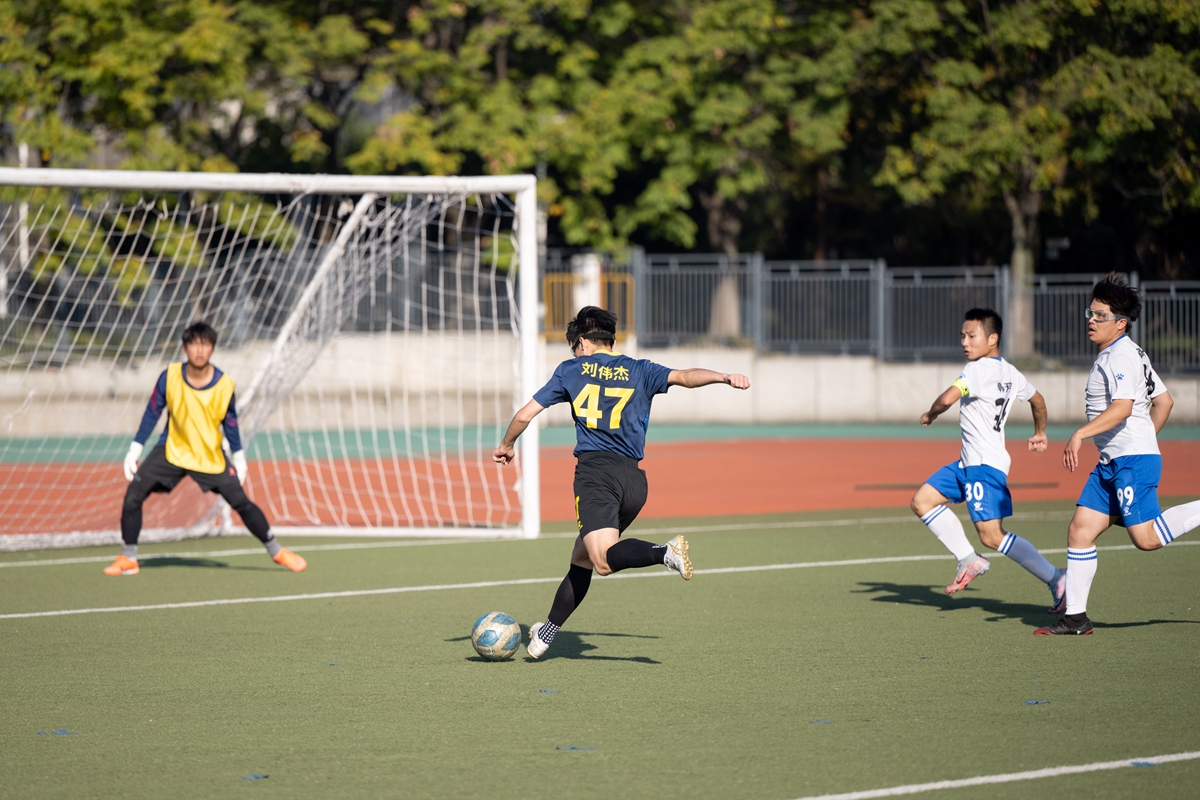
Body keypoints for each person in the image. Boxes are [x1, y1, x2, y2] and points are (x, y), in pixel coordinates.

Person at [493, 306, 750, 659]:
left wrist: (507, 446)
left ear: (582, 341)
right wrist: (724, 377)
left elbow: (524, 415)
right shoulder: (640, 369)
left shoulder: (571, 370)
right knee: (582, 558)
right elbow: (686, 375)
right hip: (634, 483)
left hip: (596, 475)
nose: (575, 353)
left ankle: (664, 552)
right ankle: (545, 634)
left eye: (574, 346)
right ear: (610, 341)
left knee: (602, 561)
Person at [1037, 273, 1200, 635]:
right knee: (1080, 530)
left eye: (1100, 315)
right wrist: (1141, 439)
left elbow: (1124, 407)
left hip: (1130, 463)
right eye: (1090, 313)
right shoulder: (1125, 352)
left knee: (1146, 539)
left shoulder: (1121, 355)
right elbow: (1165, 401)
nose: (1092, 321)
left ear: (1121, 323)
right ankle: (1076, 618)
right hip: (1116, 461)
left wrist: (1082, 433)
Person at [104, 322, 306, 576]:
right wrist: (135, 448)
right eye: (194, 344)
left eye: (205, 344)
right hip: (172, 451)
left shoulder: (224, 385)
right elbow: (152, 411)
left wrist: (239, 457)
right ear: (185, 347)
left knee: (241, 502)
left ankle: (277, 551)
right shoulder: (170, 376)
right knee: (134, 494)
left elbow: (230, 423)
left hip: (210, 457)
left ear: (212, 348)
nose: (199, 350)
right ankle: (128, 558)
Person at [910, 308, 1065, 609]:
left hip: (983, 466)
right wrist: (1040, 432)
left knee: (992, 536)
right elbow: (1038, 400)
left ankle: (1057, 579)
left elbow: (947, 399)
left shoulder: (976, 370)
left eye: (972, 336)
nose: (965, 342)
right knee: (922, 501)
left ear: (992, 338)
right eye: (962, 336)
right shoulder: (1010, 372)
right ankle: (968, 560)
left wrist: (931, 413)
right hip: (968, 463)